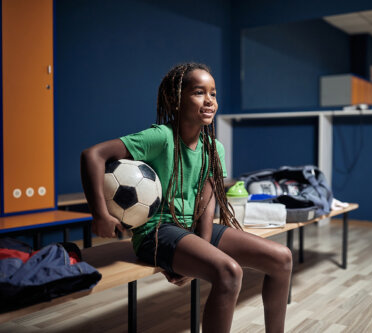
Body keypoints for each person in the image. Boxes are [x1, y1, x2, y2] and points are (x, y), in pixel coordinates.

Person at [80, 63, 292, 333]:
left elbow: (206, 203)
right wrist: (100, 214)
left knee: (282, 258)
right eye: (198, 92)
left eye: (213, 94)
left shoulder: (214, 147)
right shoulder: (161, 137)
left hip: (191, 227)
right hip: (156, 231)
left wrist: (201, 255)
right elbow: (92, 155)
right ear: (175, 100)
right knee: (229, 272)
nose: (209, 101)